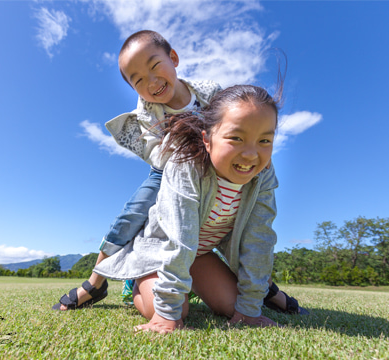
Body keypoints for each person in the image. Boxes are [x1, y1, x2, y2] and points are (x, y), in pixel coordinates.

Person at [52, 30, 305, 316]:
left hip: (221, 168)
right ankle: (96, 282)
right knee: (133, 213)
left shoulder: (209, 91)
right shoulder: (148, 113)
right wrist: (194, 154)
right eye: (138, 80)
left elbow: (235, 121)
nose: (151, 81)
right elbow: (157, 154)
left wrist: (243, 149)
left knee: (245, 224)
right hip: (170, 169)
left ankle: (264, 288)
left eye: (154, 66)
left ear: (173, 58)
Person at [94, 84, 289, 333]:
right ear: (207, 139)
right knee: (173, 311)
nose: (251, 154)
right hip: (160, 252)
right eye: (236, 138)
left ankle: (185, 286)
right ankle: (137, 283)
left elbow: (259, 239)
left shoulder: (263, 175)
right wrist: (167, 313)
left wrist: (249, 309)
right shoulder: (185, 163)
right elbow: (180, 237)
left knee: (233, 306)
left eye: (264, 140)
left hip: (200, 255)